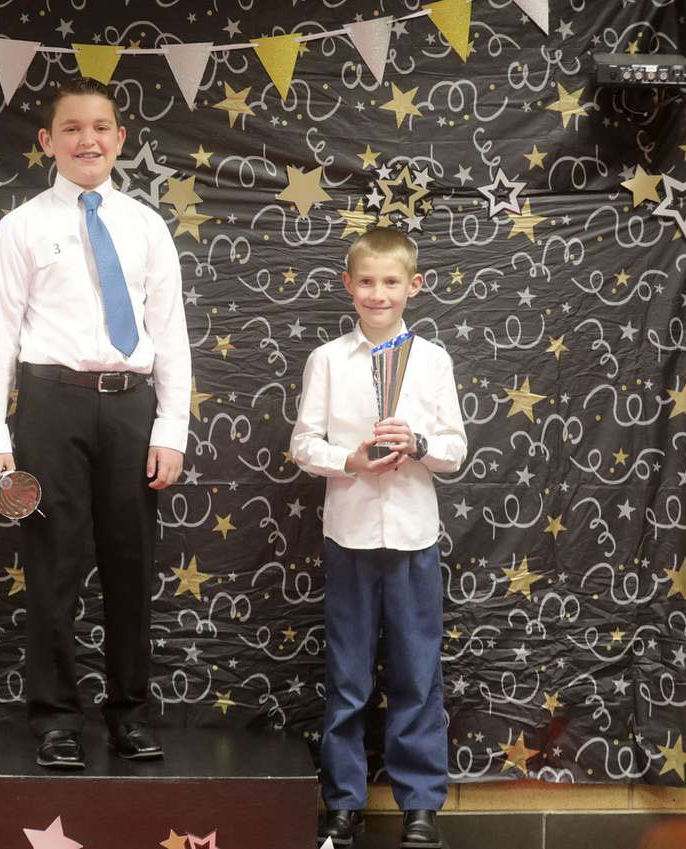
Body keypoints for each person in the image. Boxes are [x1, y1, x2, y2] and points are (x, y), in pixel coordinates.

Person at [0, 77, 191, 769]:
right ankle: (56, 718)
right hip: (51, 403)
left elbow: (171, 332)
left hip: (131, 406)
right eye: (71, 128)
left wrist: (172, 427)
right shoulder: (23, 226)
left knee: (131, 564)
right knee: (54, 565)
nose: (86, 139)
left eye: (100, 127)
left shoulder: (147, 225)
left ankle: (129, 712)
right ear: (47, 141)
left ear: (121, 139)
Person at [290, 228, 467, 849]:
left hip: (414, 537)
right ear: (348, 285)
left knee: (418, 674)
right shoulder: (328, 360)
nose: (377, 293)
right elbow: (302, 444)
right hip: (350, 535)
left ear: (413, 286)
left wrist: (419, 444)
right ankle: (343, 803)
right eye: (366, 281)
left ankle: (420, 806)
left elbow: (455, 450)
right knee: (348, 676)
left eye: (390, 282)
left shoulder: (434, 360)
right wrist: (350, 460)